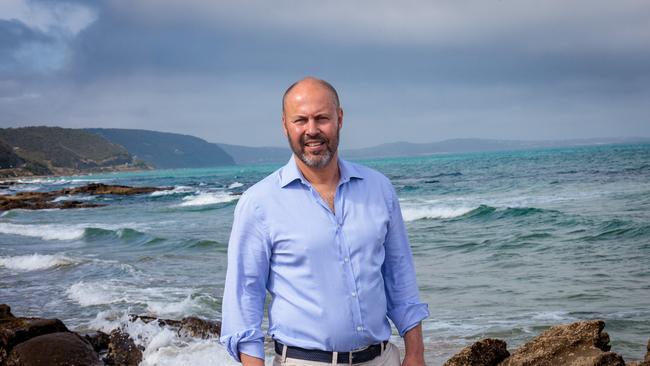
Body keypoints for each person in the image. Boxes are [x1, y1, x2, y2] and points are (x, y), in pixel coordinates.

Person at [220, 77, 429, 366]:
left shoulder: (379, 189)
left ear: (339, 118)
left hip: (383, 359)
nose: (312, 130)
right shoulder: (259, 203)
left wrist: (416, 353)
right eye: (300, 120)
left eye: (321, 118)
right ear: (285, 125)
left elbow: (400, 278)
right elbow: (243, 299)